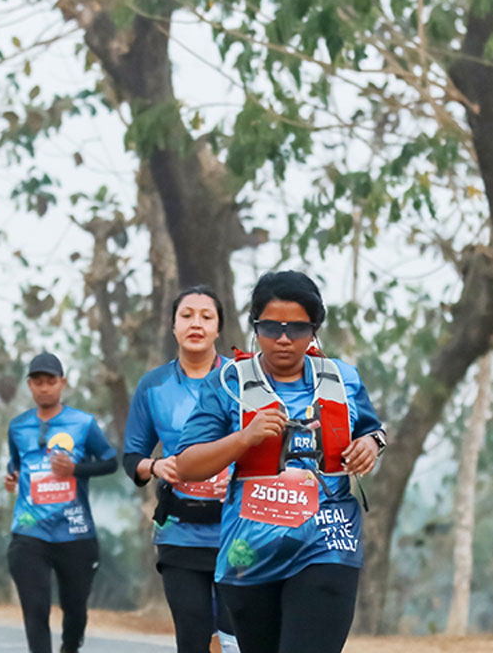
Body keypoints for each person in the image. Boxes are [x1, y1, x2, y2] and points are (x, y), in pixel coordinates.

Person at [175, 271, 387, 653]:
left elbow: (373, 431)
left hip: (328, 542)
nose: (285, 339)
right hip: (250, 556)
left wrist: (370, 444)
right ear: (256, 326)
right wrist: (244, 438)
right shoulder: (227, 382)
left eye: (298, 328)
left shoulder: (344, 379)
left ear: (314, 329)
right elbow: (187, 466)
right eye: (272, 327)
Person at [125, 285, 237, 653]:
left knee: (235, 641)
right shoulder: (153, 386)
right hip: (179, 533)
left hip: (239, 532)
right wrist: (156, 466)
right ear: (173, 326)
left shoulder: (242, 380)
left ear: (219, 328)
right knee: (193, 638)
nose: (196, 324)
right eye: (186, 315)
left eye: (207, 317)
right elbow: (132, 459)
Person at [4, 352, 118, 653]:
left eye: (50, 381)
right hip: (30, 532)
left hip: (75, 532)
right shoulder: (18, 427)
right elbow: (15, 464)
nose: (44, 388)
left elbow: (110, 462)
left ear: (62, 383)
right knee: (35, 607)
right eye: (38, 382)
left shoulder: (83, 423)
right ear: (30, 385)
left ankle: (70, 646)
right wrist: (11, 476)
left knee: (75, 609)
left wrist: (76, 470)